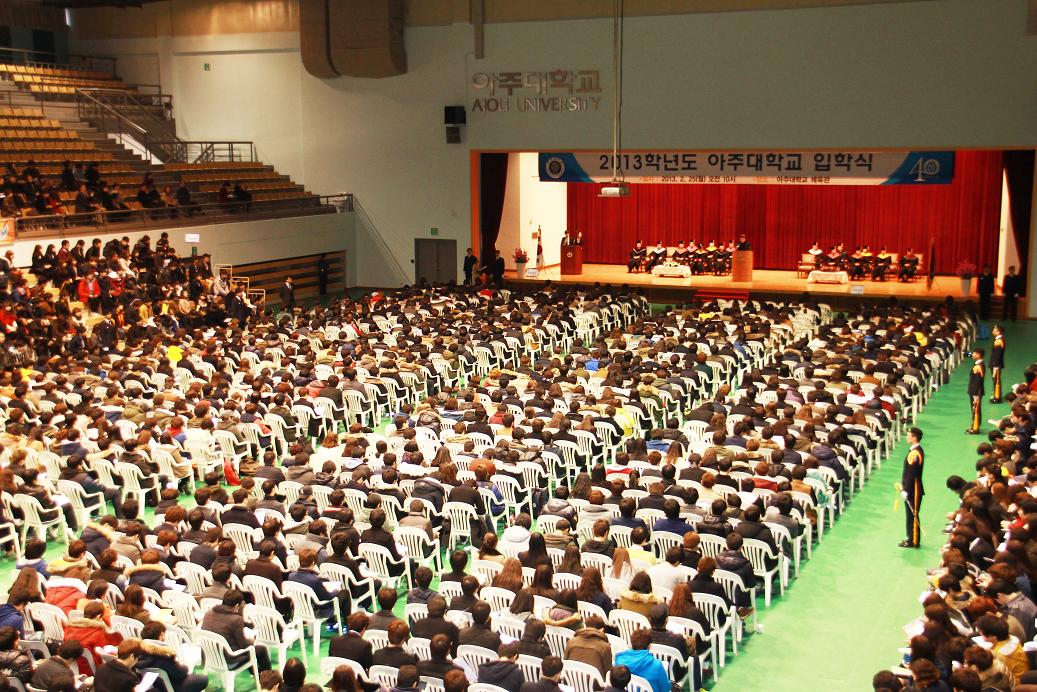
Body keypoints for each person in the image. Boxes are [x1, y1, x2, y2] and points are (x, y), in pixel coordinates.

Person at [899, 427, 924, 548]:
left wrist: (906, 490)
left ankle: (913, 540)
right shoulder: (915, 450)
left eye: (909, 435)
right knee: (910, 515)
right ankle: (911, 537)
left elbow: (911, 474)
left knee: (912, 515)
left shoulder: (914, 453)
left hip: (913, 490)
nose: (907, 437)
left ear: (914, 438)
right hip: (911, 489)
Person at [966, 348, 985, 434]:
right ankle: (974, 425)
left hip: (976, 392)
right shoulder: (977, 364)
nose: (972, 354)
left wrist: (975, 394)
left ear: (978, 355)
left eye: (974, 353)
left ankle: (976, 428)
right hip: (974, 391)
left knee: (976, 409)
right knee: (974, 409)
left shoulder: (978, 366)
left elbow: (977, 381)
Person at [989, 324, 1005, 403]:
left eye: (994, 330)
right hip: (995, 363)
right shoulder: (998, 340)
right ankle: (996, 395)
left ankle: (997, 398)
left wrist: (995, 365)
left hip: (996, 364)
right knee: (995, 380)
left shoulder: (998, 341)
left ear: (998, 332)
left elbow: (997, 355)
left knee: (996, 380)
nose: (992, 331)